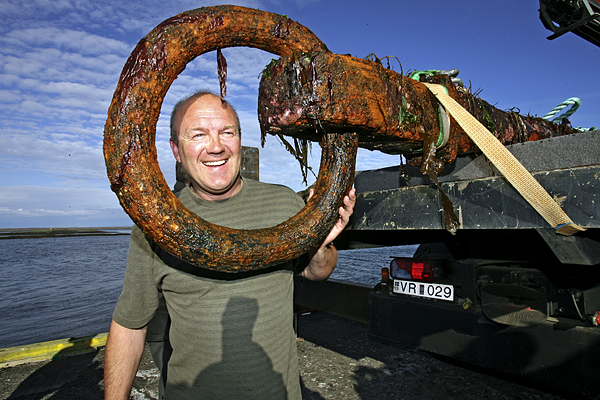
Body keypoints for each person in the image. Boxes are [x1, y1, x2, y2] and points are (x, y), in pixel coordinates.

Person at [104, 90, 356, 400]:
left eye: (227, 132)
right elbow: (130, 326)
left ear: (239, 140)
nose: (216, 147)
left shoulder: (284, 203)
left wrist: (320, 244)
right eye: (198, 134)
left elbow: (319, 273)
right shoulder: (156, 226)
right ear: (176, 150)